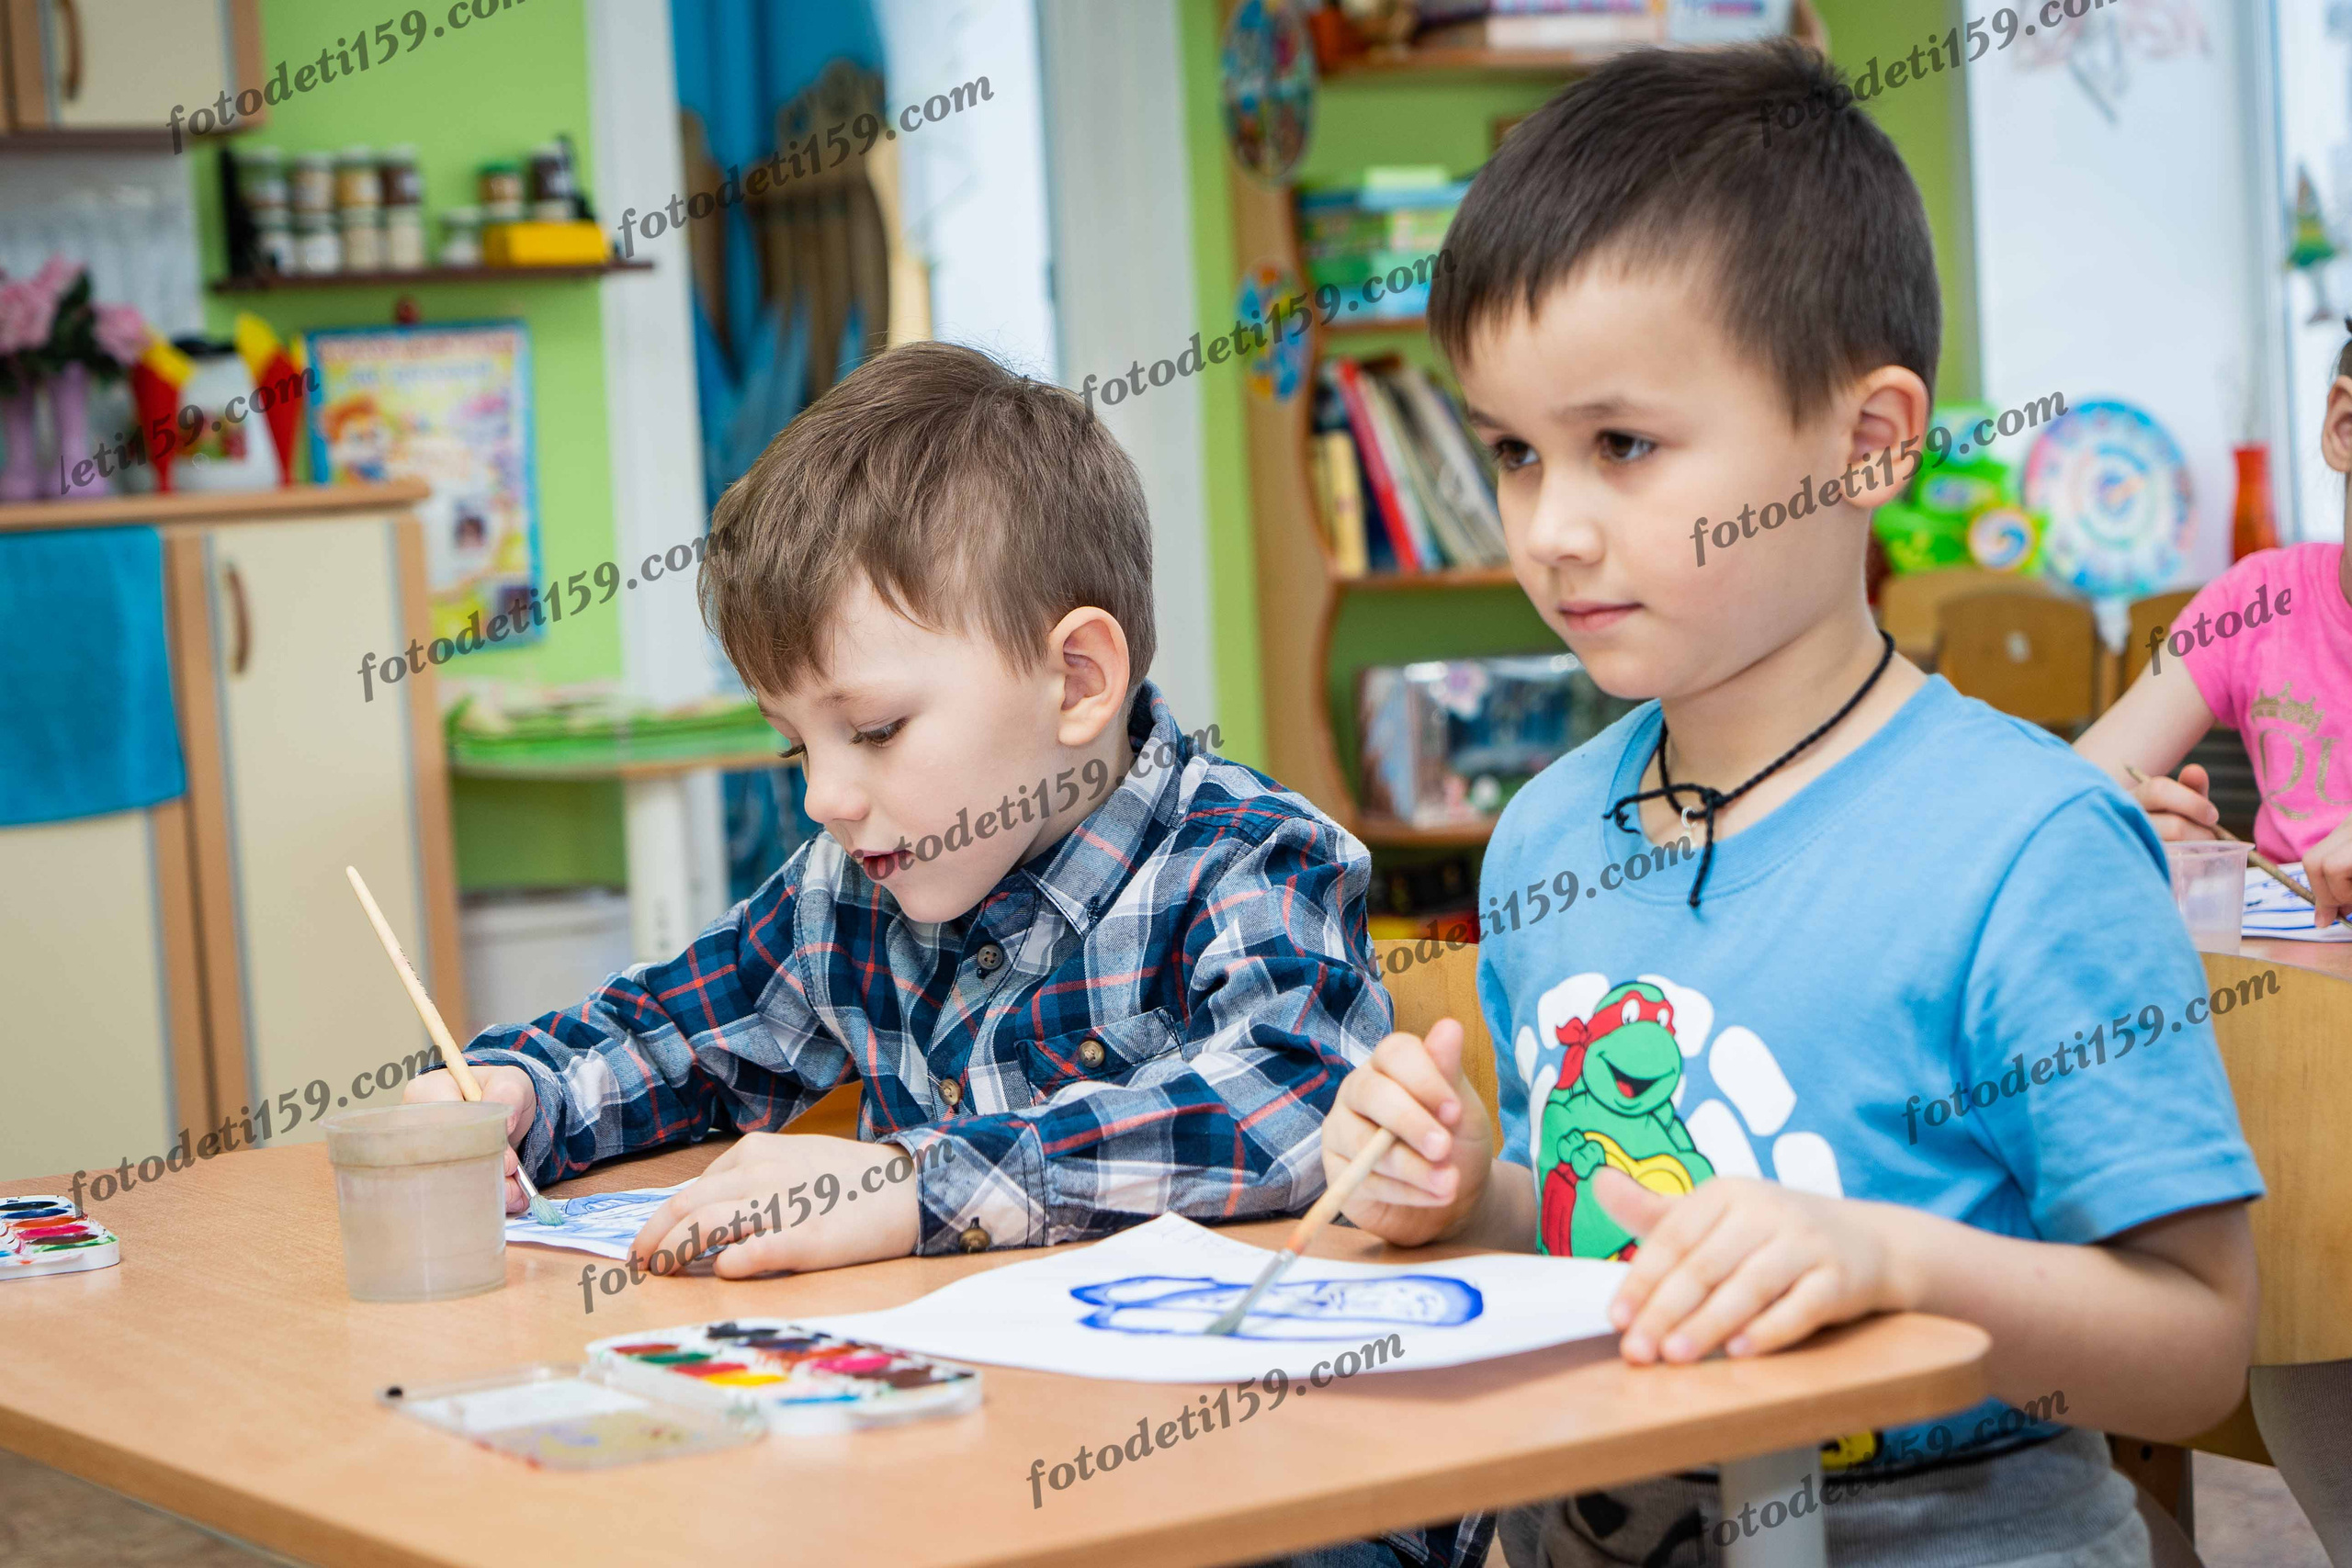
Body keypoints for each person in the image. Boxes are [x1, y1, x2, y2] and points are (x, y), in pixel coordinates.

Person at [1323, 40, 2261, 1568]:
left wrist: (1885, 1260)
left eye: (1622, 444)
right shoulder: (1548, 840)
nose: (1552, 529)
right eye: (1512, 451)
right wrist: (1462, 1199)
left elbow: (2197, 1345)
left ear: (1869, 442)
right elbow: (1589, 1227)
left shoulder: (2027, 849)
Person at [2076, 332, 2352, 930]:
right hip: (2283, 994)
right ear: (2343, 428)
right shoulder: (2258, 603)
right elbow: (2057, 809)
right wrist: (2122, 833)